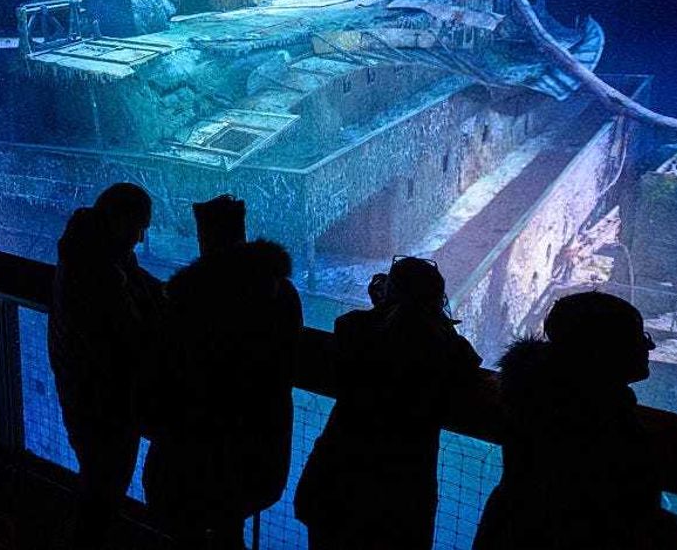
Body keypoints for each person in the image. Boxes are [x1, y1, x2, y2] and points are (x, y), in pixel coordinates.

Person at [143, 203, 302, 550]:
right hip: (258, 446)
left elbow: (167, 367)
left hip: (193, 448)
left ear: (205, 239)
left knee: (190, 529)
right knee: (232, 523)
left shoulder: (188, 301)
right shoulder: (282, 294)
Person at [294, 256, 482, 549]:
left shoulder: (353, 328)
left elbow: (365, 332)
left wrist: (381, 307)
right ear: (436, 299)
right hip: (403, 496)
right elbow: (461, 357)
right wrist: (433, 317)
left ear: (390, 292)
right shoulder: (448, 348)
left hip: (338, 482)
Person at [472, 291, 677, 550]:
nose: (649, 346)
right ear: (602, 350)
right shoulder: (604, 427)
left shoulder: (536, 404)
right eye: (637, 338)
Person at [47, 182, 161, 548]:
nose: (141, 238)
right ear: (118, 220)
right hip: (100, 404)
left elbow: (138, 286)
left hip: (91, 398)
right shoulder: (97, 268)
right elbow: (127, 332)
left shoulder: (98, 251)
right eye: (138, 226)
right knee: (104, 490)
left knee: (100, 486)